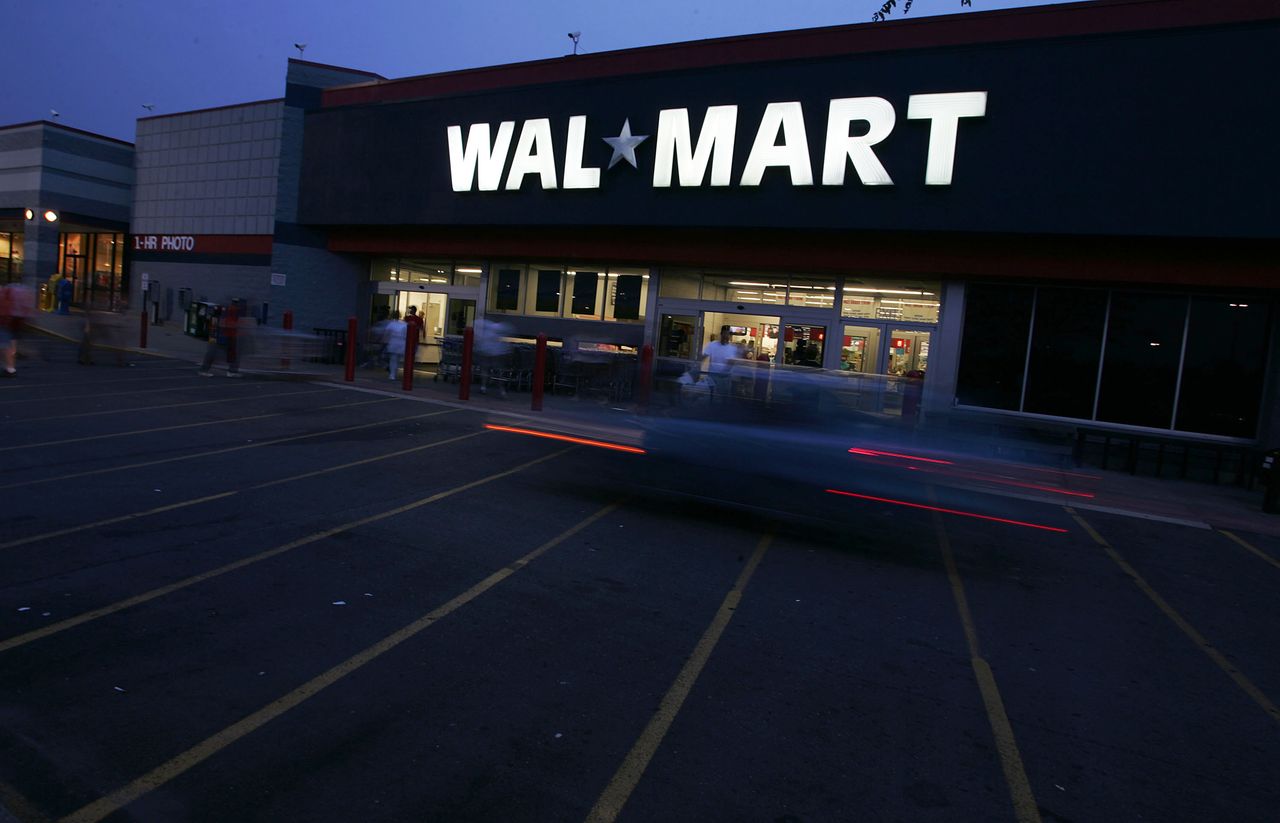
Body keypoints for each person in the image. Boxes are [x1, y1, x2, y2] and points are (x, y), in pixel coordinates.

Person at [198, 304, 243, 377]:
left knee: (231, 352)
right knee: (213, 352)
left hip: (223, 334)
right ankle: (204, 369)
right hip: (221, 334)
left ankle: (232, 371)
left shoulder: (221, 312)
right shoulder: (226, 312)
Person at [474, 316, 515, 396]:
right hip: (497, 353)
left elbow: (478, 334)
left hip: (486, 351)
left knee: (485, 369)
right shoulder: (501, 327)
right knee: (498, 372)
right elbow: (510, 331)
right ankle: (502, 390)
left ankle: (483, 387)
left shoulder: (486, 326)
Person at [701, 325, 741, 400]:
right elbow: (703, 357)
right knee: (710, 397)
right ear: (721, 334)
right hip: (712, 377)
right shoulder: (713, 345)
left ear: (730, 336)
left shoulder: (732, 348)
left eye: (728, 334)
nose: (726, 336)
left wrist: (723, 373)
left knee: (723, 399)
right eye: (724, 334)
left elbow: (731, 364)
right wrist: (695, 366)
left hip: (725, 379)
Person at [384, 309, 407, 381]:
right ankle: (397, 372)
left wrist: (385, 342)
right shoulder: (404, 324)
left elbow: (387, 334)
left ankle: (392, 375)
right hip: (402, 343)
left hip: (393, 342)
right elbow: (406, 335)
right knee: (398, 360)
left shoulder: (391, 324)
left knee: (393, 360)